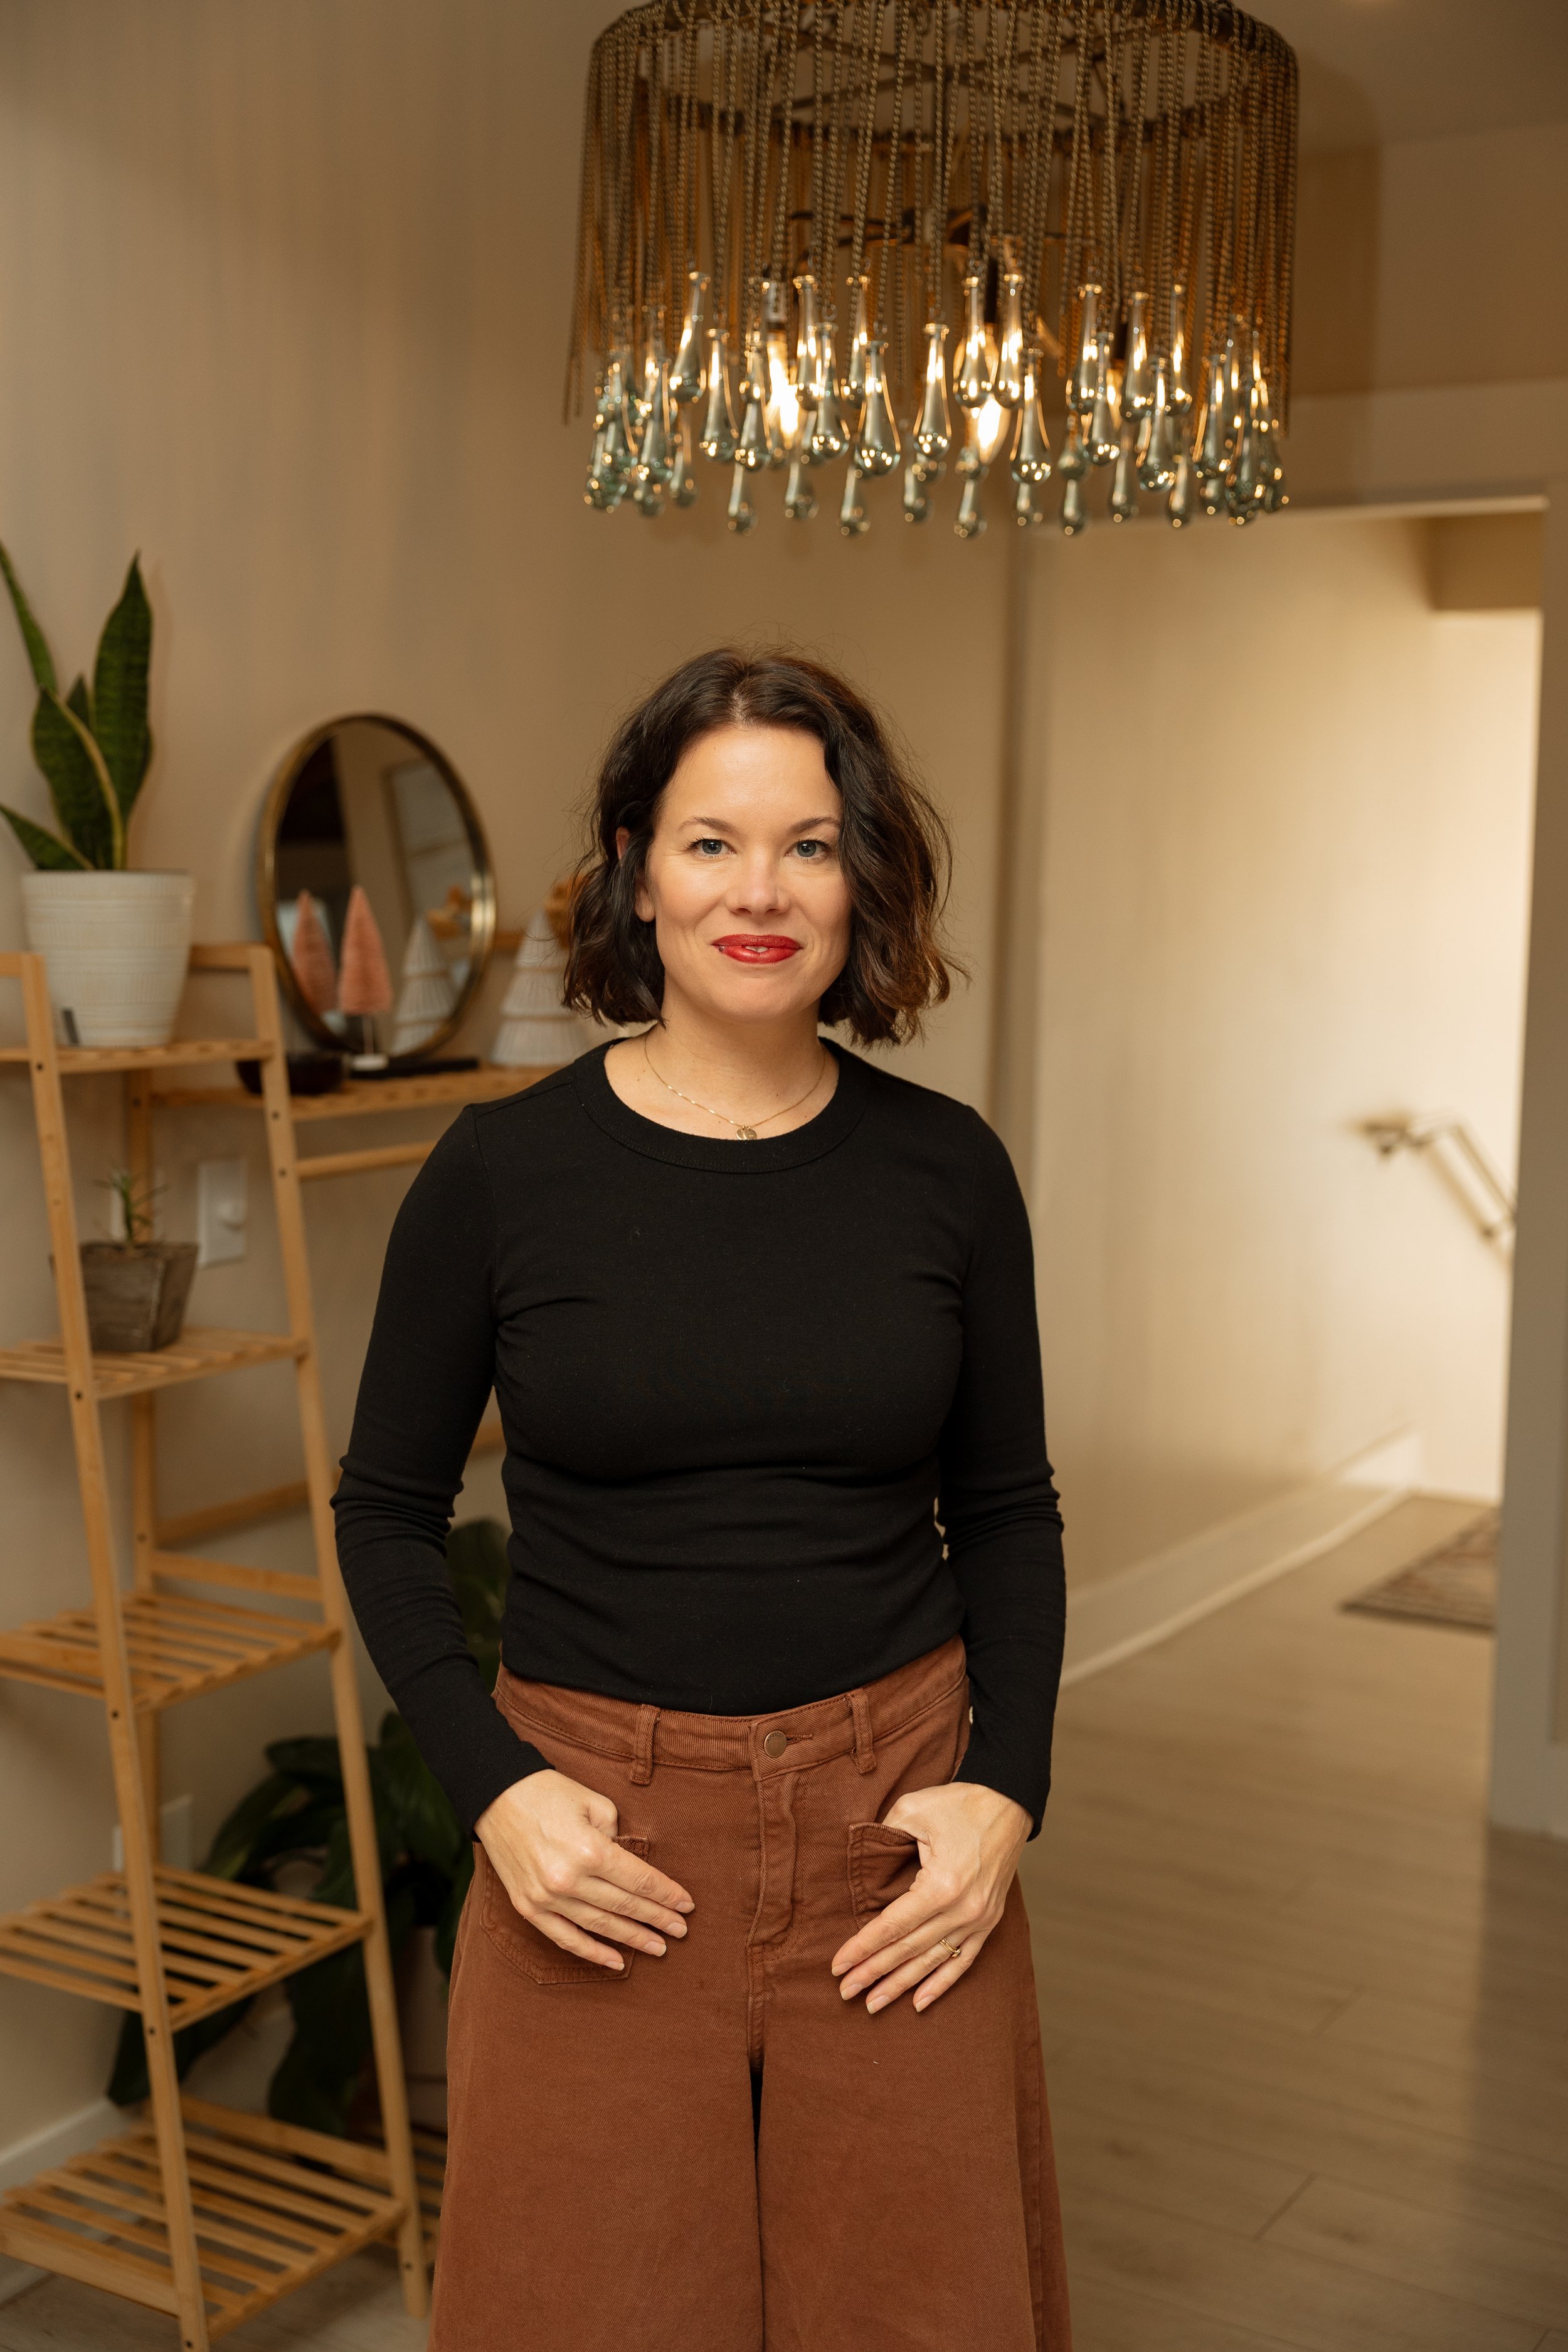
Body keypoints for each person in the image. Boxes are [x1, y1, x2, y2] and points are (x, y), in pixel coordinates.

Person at [334, 647, 1072, 2352]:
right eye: (710, 842)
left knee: (923, 2315)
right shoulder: (502, 1176)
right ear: (630, 871)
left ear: (861, 879)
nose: (760, 891)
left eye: (809, 845)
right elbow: (384, 1509)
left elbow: (1010, 1511)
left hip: (899, 1831)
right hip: (596, 1837)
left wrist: (1002, 1793)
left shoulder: (947, 1168)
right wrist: (496, 1792)